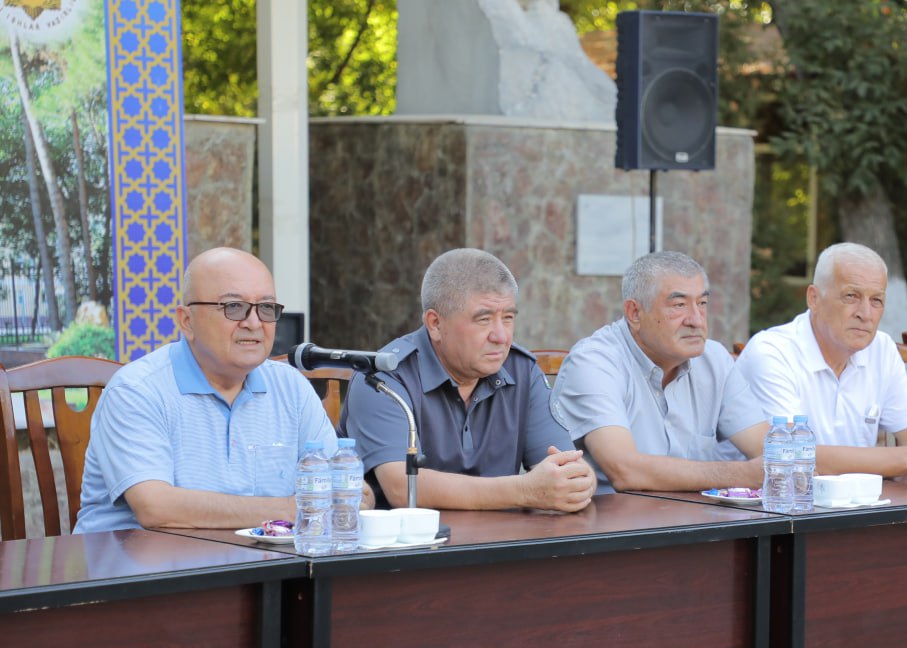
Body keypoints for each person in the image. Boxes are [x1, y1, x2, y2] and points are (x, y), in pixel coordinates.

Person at [76, 247, 367, 532]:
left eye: (266, 308)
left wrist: (335, 499)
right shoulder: (137, 390)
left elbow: (355, 494)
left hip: (259, 558)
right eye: (234, 307)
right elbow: (155, 508)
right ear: (187, 321)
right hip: (139, 560)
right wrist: (294, 508)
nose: (253, 323)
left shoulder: (291, 388)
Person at [339, 248, 595, 512]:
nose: (501, 336)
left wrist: (577, 482)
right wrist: (524, 491)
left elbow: (569, 470)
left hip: (503, 535)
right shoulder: (383, 378)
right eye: (484, 320)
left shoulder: (522, 371)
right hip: (414, 537)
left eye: (508, 318)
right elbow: (403, 488)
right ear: (435, 324)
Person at [735, 243, 907, 481]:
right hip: (763, 503)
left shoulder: (881, 349)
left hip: (855, 503)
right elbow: (792, 457)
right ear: (814, 298)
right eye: (851, 296)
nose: (865, 314)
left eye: (876, 300)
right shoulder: (772, 352)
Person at [550, 251, 768, 491]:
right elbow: (625, 470)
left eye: (702, 304)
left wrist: (771, 466)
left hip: (697, 513)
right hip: (614, 514)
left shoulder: (714, 359)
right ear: (634, 313)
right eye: (679, 305)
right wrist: (743, 474)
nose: (696, 320)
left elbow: (771, 451)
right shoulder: (594, 362)